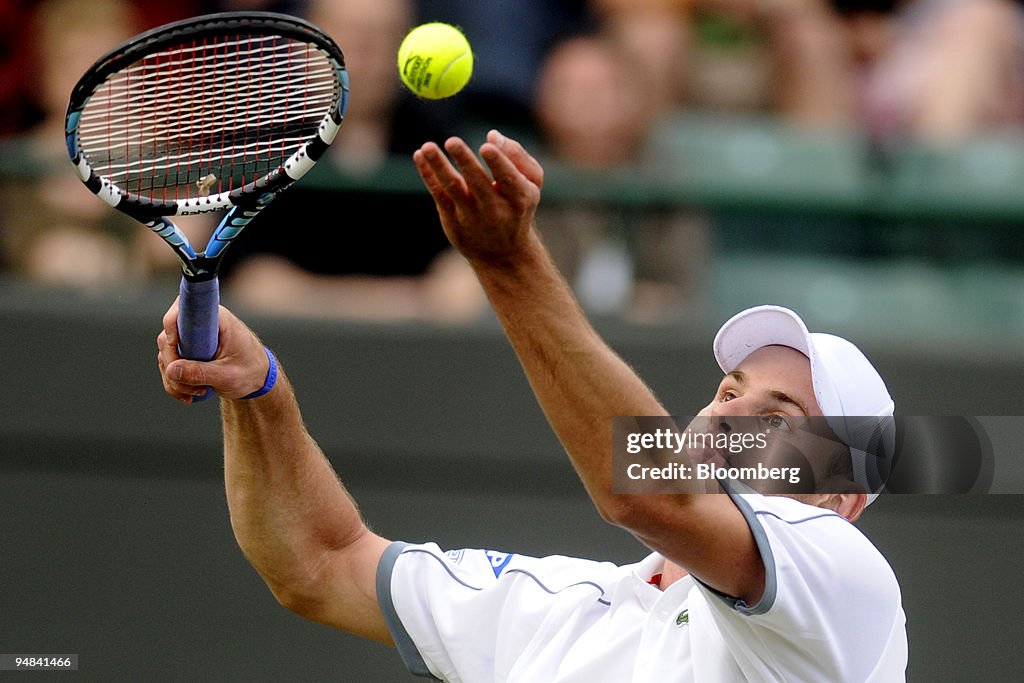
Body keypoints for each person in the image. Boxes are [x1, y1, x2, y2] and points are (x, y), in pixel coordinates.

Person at [156, 130, 908, 681]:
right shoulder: (556, 611)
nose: (730, 414)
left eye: (778, 419)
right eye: (729, 390)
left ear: (839, 499)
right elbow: (318, 564)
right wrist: (260, 394)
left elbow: (648, 490)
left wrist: (510, 263)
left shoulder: (847, 579)